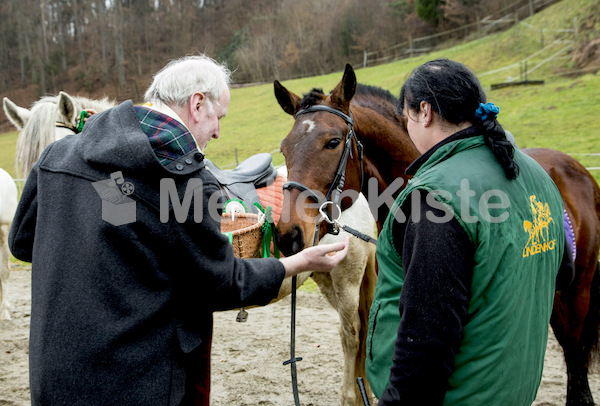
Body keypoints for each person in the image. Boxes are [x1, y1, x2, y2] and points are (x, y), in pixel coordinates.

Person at [9, 54, 349, 406]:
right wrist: (297, 263)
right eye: (219, 117)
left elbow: (22, 242)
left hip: (54, 379)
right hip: (136, 385)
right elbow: (223, 283)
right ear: (197, 104)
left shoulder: (58, 156)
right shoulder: (182, 182)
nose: (218, 130)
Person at [365, 58, 572, 405]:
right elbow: (563, 271)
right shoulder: (535, 172)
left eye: (406, 116)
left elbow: (427, 343)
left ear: (425, 112)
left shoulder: (436, 198)